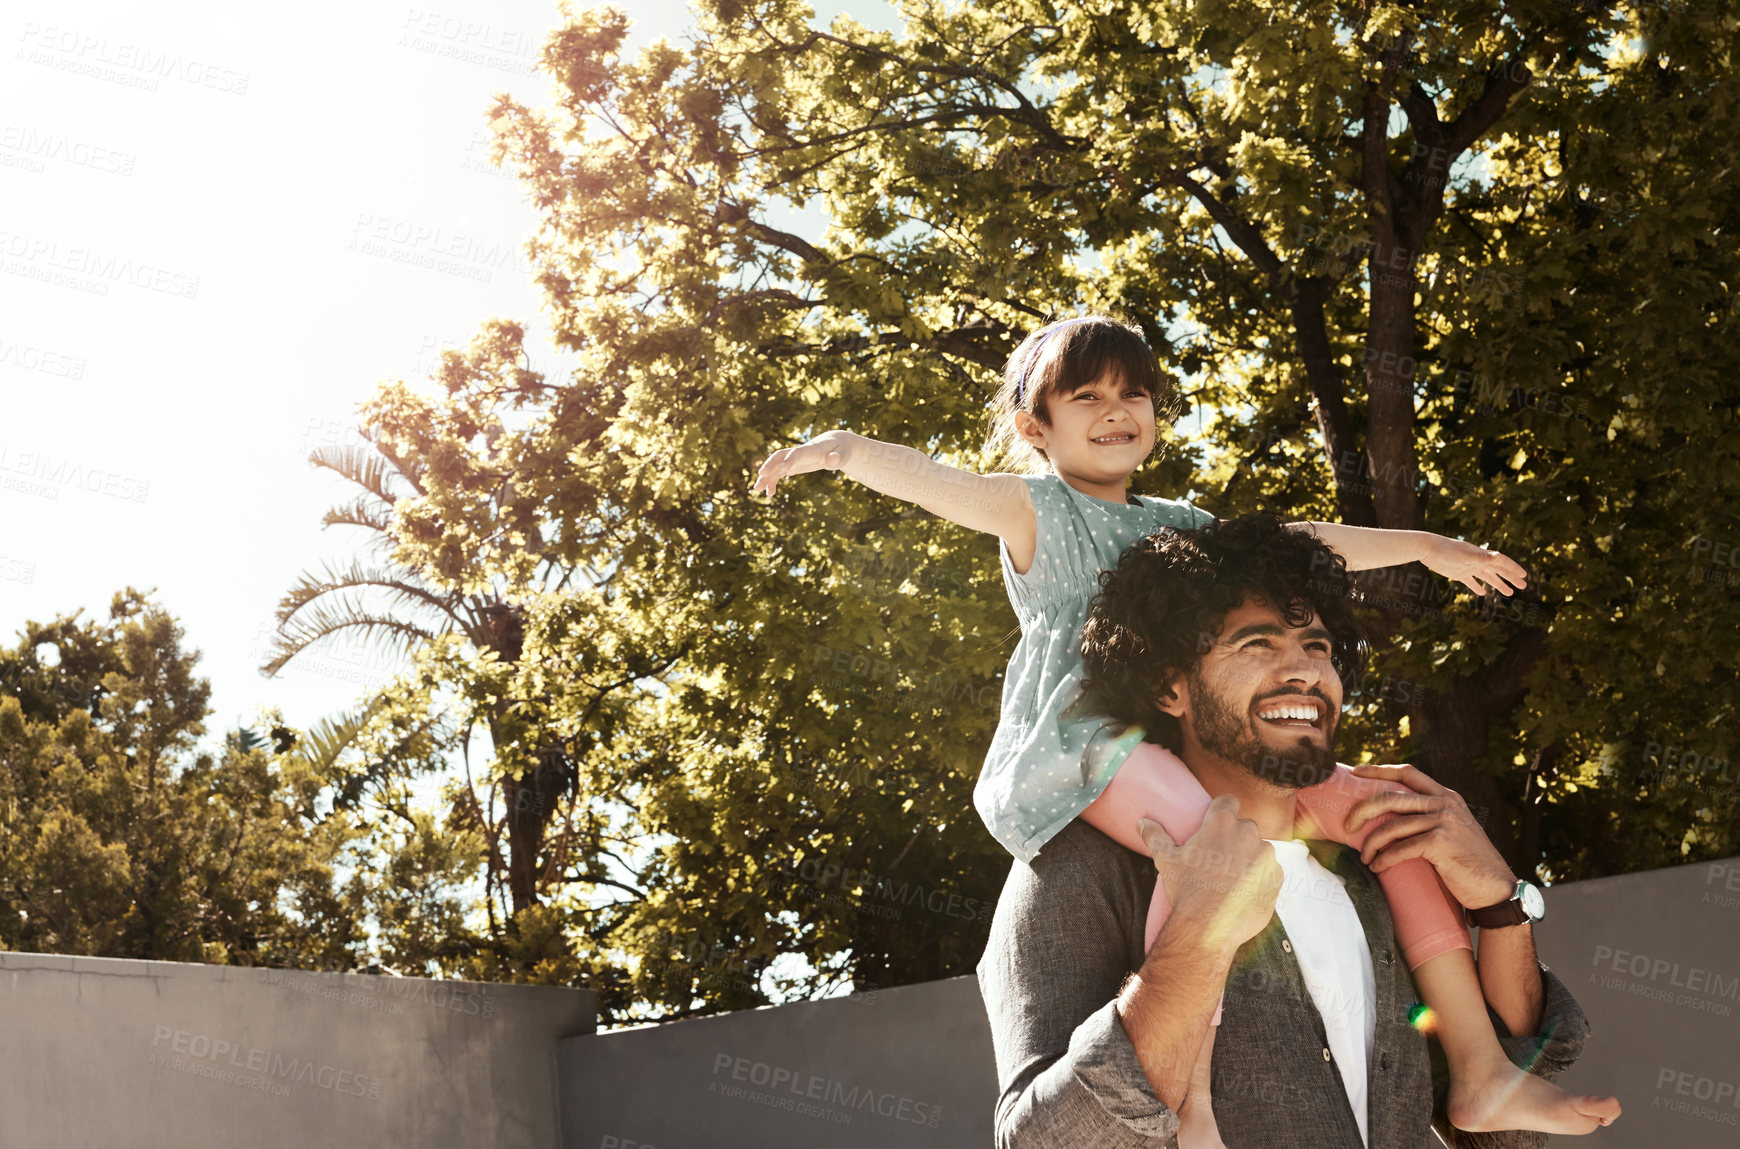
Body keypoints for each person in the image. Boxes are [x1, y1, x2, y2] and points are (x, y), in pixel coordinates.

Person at [751, 315, 1602, 1142]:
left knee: (1393, 817)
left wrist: (1424, 545)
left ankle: (1484, 1067)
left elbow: (1306, 540)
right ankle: (1190, 1107)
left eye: (1136, 393)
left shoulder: (1181, 527)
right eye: (1087, 396)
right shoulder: (1039, 512)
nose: (1118, 410)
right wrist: (843, 452)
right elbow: (942, 481)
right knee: (1209, 853)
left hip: (1155, 754)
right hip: (1089, 753)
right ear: (1032, 426)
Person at [977, 511, 1619, 1147]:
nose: (1305, 670)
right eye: (1256, 645)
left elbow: (1502, 1099)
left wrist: (1501, 904)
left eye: (1318, 647)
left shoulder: (1378, 869)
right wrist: (1199, 932)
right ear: (1170, 687)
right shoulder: (1078, 873)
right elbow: (1040, 1141)